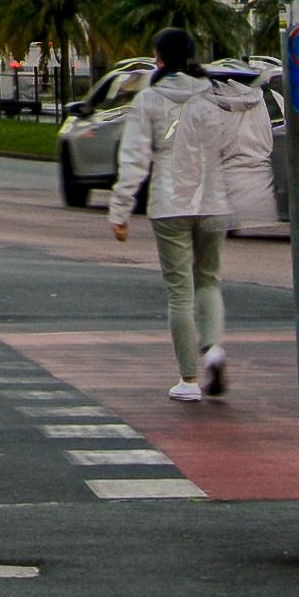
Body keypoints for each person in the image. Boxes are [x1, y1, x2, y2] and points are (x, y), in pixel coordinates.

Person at [110, 22, 274, 398]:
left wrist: (119, 212)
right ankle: (214, 348)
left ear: (161, 58)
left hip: (171, 203)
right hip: (213, 199)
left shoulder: (149, 99)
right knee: (209, 280)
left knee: (179, 293)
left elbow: (134, 159)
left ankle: (187, 380)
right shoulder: (213, 96)